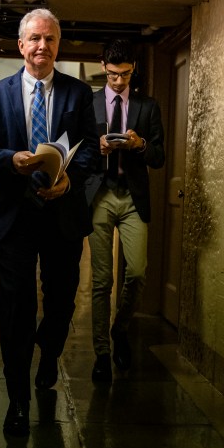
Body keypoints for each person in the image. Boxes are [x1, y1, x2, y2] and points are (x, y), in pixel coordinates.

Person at [0, 8, 98, 436]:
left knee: (62, 301)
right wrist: (12, 159)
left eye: (50, 39)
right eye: (35, 39)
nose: (42, 46)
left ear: (57, 46)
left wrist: (68, 180)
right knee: (15, 307)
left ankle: (49, 351)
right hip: (15, 216)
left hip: (62, 213)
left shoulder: (78, 94)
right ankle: (18, 401)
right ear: (21, 45)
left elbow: (89, 152)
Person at [84, 39, 165, 382]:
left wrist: (140, 144)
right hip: (100, 195)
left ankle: (120, 330)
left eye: (126, 74)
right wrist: (96, 146)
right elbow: (74, 152)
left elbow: (159, 157)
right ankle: (102, 352)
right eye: (114, 74)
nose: (119, 81)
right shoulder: (87, 104)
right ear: (103, 66)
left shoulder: (147, 107)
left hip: (133, 198)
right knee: (102, 281)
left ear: (134, 69)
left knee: (137, 272)